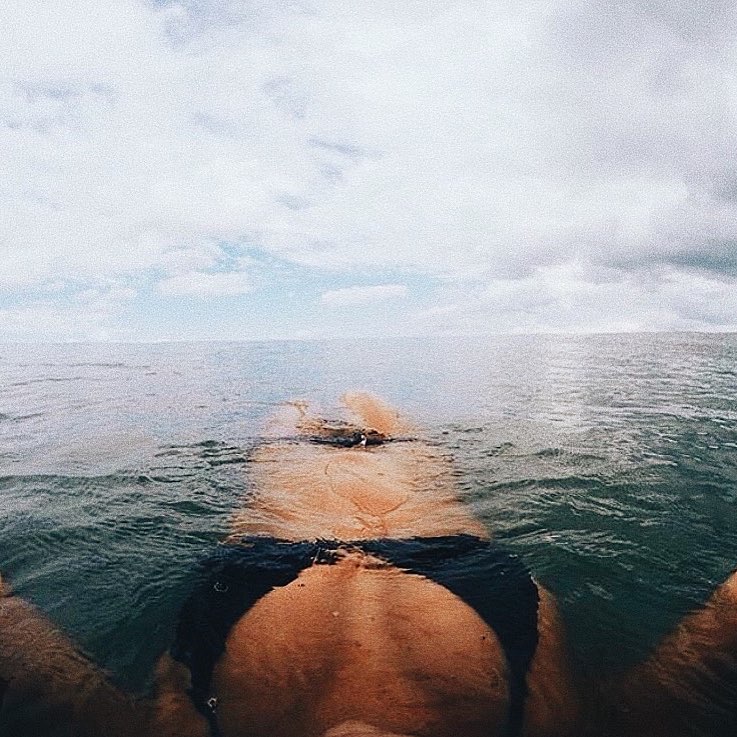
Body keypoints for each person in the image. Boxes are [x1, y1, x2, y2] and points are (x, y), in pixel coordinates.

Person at [0, 393, 735, 737]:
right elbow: (703, 651)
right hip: (445, 551)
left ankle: (306, 417)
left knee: (290, 427)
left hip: (277, 550)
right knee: (386, 429)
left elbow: (34, 656)